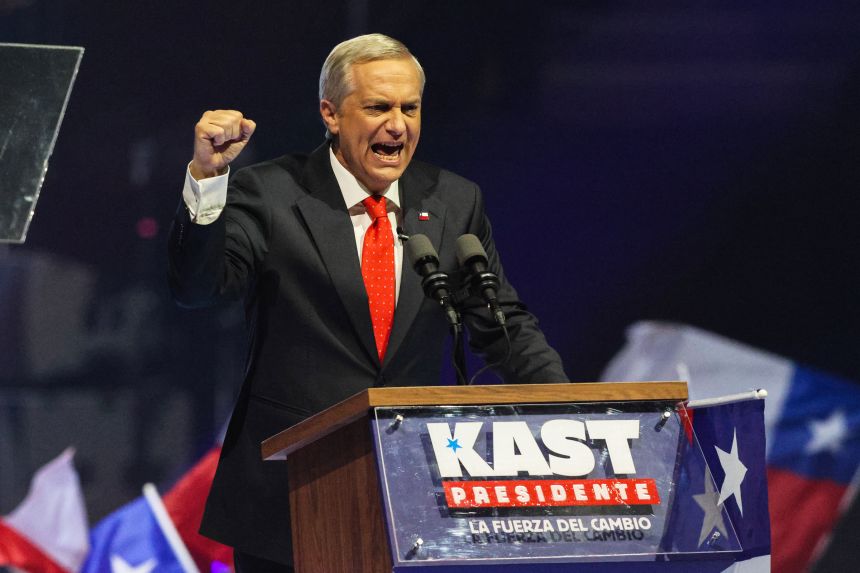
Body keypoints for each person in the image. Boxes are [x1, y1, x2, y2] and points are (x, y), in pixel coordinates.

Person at [168, 33, 568, 572]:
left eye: (410, 108)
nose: (397, 125)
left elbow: (503, 324)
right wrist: (208, 179)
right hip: (290, 499)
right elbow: (198, 289)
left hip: (417, 497)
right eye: (378, 107)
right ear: (330, 114)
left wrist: (575, 408)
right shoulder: (270, 193)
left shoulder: (453, 200)